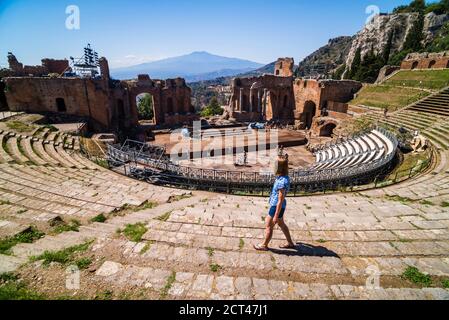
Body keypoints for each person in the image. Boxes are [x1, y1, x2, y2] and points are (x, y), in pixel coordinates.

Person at [254, 155, 295, 251]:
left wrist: (276, 215)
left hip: (276, 206)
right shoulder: (283, 177)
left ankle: (264, 245)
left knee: (268, 225)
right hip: (279, 205)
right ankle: (290, 243)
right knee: (282, 224)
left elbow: (280, 200)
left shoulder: (282, 181)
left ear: (279, 168)